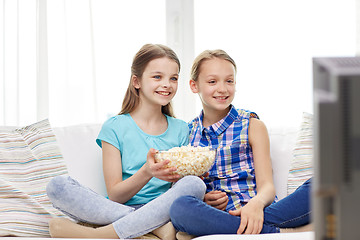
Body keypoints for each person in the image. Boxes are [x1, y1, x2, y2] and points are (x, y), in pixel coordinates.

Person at [46, 44, 206, 239]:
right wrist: (146, 172)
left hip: (162, 209)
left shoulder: (181, 129)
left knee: (194, 184)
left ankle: (101, 234)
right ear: (136, 82)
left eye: (173, 78)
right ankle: (153, 229)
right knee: (58, 186)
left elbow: (179, 191)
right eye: (157, 77)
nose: (167, 84)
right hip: (119, 208)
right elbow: (115, 195)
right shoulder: (114, 127)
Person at [169, 49, 312, 236]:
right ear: (194, 85)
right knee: (180, 207)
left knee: (326, 183)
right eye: (212, 81)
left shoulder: (252, 124)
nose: (222, 89)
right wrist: (204, 199)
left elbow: (267, 186)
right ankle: (277, 232)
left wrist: (256, 204)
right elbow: (185, 186)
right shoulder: (187, 133)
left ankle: (252, 227)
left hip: (261, 211)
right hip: (217, 215)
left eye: (229, 81)